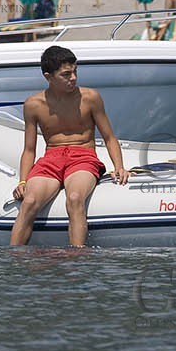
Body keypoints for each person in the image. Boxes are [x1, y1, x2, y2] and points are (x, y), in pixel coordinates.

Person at [10, 45, 129, 247]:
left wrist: (119, 166)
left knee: (74, 198)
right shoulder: (33, 104)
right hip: (51, 159)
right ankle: (13, 259)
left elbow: (109, 137)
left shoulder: (90, 98)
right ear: (48, 77)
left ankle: (77, 256)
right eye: (66, 74)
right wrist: (23, 182)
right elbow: (29, 149)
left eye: (75, 71)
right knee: (29, 202)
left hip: (83, 157)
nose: (73, 78)